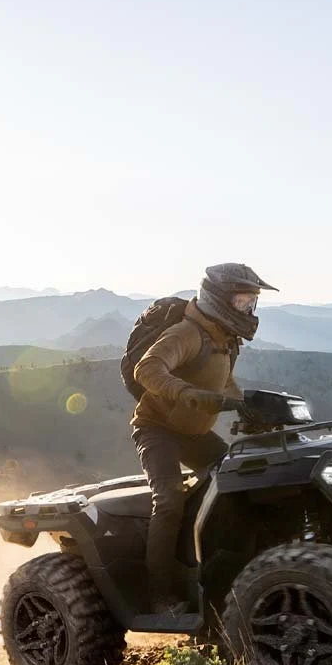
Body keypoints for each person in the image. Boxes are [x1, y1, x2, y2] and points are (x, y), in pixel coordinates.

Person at [130, 262, 276, 613]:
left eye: (252, 304)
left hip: (194, 434)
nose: (249, 311)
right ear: (219, 299)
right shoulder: (187, 333)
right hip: (158, 429)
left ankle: (228, 575)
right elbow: (146, 368)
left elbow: (223, 384)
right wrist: (184, 392)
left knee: (240, 481)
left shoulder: (225, 341)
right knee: (168, 500)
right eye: (243, 303)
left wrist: (250, 408)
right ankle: (161, 596)